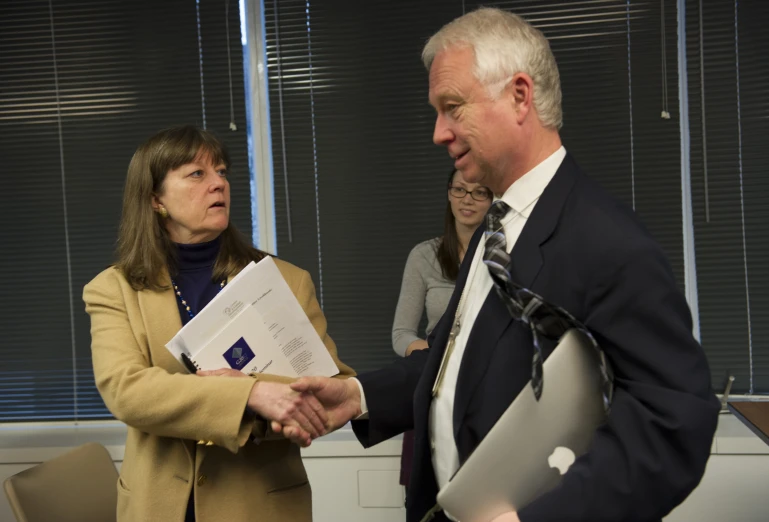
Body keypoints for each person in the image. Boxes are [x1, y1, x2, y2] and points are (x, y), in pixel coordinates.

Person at [289, 7, 720, 522]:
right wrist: (357, 397)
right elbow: (456, 366)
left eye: (452, 107)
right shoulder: (496, 228)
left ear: (520, 96)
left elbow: (672, 421)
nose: (438, 133)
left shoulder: (607, 240)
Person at [82, 125, 354, 522]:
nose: (219, 185)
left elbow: (329, 390)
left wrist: (266, 403)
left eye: (222, 172)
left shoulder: (287, 280)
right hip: (161, 506)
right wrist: (251, 396)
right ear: (156, 199)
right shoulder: (113, 289)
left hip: (260, 504)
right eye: (197, 174)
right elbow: (127, 391)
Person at [392, 168, 492, 489]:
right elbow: (401, 334)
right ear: (449, 193)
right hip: (433, 391)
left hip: (487, 392)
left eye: (479, 192)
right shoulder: (423, 256)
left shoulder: (505, 255)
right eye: (460, 190)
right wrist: (432, 358)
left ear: (492, 200)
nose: (468, 200)